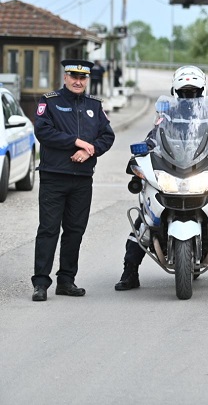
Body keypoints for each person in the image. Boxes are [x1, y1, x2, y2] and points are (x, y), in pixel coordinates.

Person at [114, 65, 208, 291]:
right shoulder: (167, 113)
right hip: (173, 166)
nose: (190, 96)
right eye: (185, 92)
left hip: (199, 165)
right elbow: (154, 136)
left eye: (194, 92)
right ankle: (129, 272)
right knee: (146, 221)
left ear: (202, 91)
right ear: (176, 91)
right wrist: (145, 148)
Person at [31, 59, 116, 301]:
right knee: (48, 230)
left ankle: (66, 281)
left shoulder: (94, 106)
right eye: (73, 76)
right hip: (54, 177)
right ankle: (40, 284)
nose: (78, 81)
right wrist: (76, 142)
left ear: (87, 79)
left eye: (83, 78)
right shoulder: (50, 101)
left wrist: (90, 150)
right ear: (66, 77)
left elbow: (107, 136)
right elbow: (43, 131)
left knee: (75, 231)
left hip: (81, 180)